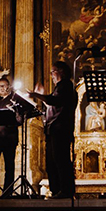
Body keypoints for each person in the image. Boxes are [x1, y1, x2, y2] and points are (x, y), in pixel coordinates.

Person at [30, 61, 77, 198]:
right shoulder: (59, 88)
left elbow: (55, 101)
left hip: (60, 130)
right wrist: (43, 96)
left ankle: (65, 191)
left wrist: (36, 95)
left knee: (61, 161)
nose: (51, 75)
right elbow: (54, 102)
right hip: (53, 130)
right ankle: (56, 190)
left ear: (61, 71)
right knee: (52, 162)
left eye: (53, 72)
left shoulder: (66, 86)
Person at [0, 77, 24, 197]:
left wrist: (16, 112)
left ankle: (7, 192)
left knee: (9, 166)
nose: (2, 88)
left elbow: (19, 120)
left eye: (4, 85)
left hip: (9, 138)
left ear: (9, 86)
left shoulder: (14, 100)